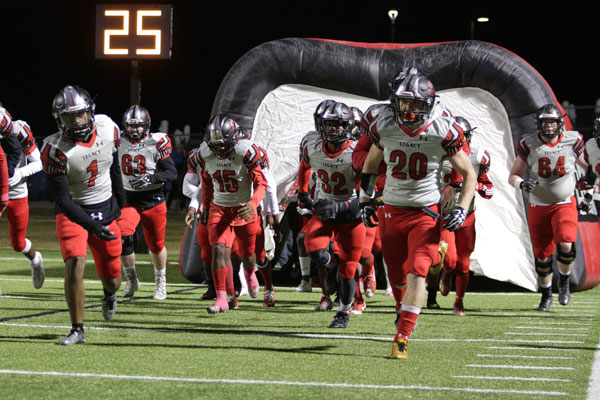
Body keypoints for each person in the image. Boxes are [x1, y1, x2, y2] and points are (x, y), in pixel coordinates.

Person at [359, 69, 476, 359]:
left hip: (425, 212)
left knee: (416, 272)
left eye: (415, 103)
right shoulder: (384, 123)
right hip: (391, 210)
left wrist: (462, 208)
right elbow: (370, 166)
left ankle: (402, 337)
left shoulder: (443, 129)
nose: (408, 108)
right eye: (403, 102)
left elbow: (468, 173)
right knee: (396, 275)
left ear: (429, 103)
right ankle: (403, 309)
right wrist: (365, 200)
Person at [40, 85, 125, 345]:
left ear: (91, 113)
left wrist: (121, 206)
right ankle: (77, 329)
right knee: (74, 264)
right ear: (59, 120)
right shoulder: (54, 150)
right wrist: (90, 225)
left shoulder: (109, 129)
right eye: (69, 117)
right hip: (73, 212)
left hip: (105, 207)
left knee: (113, 278)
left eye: (81, 115)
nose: (77, 122)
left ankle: (109, 294)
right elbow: (62, 200)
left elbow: (115, 167)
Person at [508, 104, 587, 311]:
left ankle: (564, 280)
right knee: (542, 256)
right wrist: (522, 184)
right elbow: (513, 176)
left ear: (559, 124)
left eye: (552, 122)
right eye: (545, 122)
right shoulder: (529, 143)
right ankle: (545, 294)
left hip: (564, 202)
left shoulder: (573, 140)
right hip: (538, 204)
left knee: (566, 243)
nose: (549, 126)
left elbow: (586, 166)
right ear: (539, 125)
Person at [186, 113, 267, 314]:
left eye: (224, 144)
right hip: (219, 208)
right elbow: (205, 181)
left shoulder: (245, 151)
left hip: (243, 208)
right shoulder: (205, 154)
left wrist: (253, 202)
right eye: (216, 144)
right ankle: (222, 298)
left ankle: (249, 273)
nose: (220, 149)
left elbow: (261, 183)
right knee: (218, 250)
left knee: (248, 255)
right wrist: (205, 206)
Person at [297, 101, 365, 328]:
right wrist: (302, 190)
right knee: (312, 246)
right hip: (326, 208)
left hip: (352, 214)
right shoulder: (312, 144)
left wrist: (340, 207)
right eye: (329, 124)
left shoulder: (357, 152)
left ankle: (343, 313)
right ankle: (331, 264)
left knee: (349, 269)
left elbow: (365, 195)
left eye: (339, 124)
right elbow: (305, 166)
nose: (334, 129)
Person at [116, 105, 177, 300]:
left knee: (156, 245)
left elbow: (172, 173)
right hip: (128, 199)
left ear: (147, 125)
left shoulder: (156, 141)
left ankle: (160, 282)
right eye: (131, 126)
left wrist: (150, 178)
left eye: (139, 126)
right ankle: (132, 279)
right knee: (123, 237)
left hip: (152, 198)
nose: (134, 130)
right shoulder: (117, 141)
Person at [438, 116, 494, 316]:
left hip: (467, 215)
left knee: (463, 264)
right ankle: (445, 272)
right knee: (450, 261)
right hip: (444, 215)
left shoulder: (479, 156)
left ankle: (458, 302)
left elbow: (489, 189)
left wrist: (477, 186)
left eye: (464, 136)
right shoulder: (436, 153)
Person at [0, 106, 45, 288]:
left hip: (17, 192)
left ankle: (35, 261)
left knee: (18, 243)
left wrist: (18, 174)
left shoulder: (18, 131)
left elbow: (38, 163)